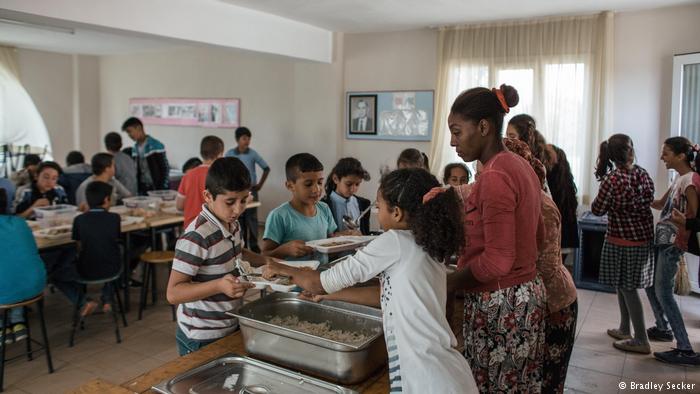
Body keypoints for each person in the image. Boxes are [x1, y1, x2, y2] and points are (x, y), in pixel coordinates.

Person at [263, 168, 478, 393]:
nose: (377, 212)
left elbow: (319, 281)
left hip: (427, 376)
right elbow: (385, 294)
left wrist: (280, 267)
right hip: (441, 368)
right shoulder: (424, 243)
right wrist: (328, 295)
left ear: (396, 212)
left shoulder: (393, 241)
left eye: (378, 206)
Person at [445, 84, 547, 393]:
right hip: (525, 293)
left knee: (494, 385)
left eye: (457, 132)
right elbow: (538, 236)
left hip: (503, 304)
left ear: (484, 127)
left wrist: (450, 281)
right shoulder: (518, 165)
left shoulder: (494, 177)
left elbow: (498, 260)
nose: (452, 142)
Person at [166, 157, 279, 355]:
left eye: (243, 200)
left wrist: (268, 261)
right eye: (230, 202)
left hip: (228, 322)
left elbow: (238, 252)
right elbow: (173, 293)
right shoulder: (197, 236)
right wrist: (219, 285)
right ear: (208, 196)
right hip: (200, 336)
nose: (238, 209)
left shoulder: (232, 223)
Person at [504, 137, 578, 393]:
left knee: (547, 380)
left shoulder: (539, 204)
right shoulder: (518, 197)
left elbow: (541, 268)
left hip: (554, 304)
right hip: (538, 302)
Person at [591, 134, 655, 355]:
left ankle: (641, 339)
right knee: (623, 284)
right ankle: (624, 328)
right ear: (631, 150)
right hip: (643, 239)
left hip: (621, 239)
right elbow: (648, 200)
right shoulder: (643, 174)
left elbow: (598, 209)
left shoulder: (612, 180)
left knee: (627, 288)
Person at [644, 137, 700, 365]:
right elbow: (659, 204)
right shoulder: (679, 179)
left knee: (664, 292)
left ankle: (684, 348)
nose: (661, 157)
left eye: (666, 153)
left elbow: (693, 218)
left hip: (672, 244)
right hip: (663, 240)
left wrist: (681, 222)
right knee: (650, 286)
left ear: (681, 156)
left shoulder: (690, 181)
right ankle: (662, 327)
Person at [507, 114, 579, 262]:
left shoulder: (531, 162)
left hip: (552, 226)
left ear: (525, 136)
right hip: (561, 225)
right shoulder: (550, 152)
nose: (507, 140)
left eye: (511, 135)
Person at [262, 153, 335, 260]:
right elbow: (264, 255)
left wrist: (347, 238)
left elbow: (330, 244)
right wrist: (285, 249)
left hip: (321, 275)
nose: (317, 189)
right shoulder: (279, 216)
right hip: (292, 276)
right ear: (290, 186)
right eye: (308, 184)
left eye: (320, 182)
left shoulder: (324, 209)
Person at [0, 188, 46, 344]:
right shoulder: (20, 223)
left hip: (6, 291)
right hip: (34, 285)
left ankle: (2, 328)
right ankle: (18, 322)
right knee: (15, 268)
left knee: (7, 276)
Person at [72, 181, 122, 314]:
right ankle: (107, 300)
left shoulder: (79, 220)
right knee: (113, 253)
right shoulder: (115, 218)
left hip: (85, 270)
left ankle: (84, 300)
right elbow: (114, 240)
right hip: (113, 268)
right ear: (106, 199)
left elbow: (78, 246)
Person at [225, 127, 270, 253]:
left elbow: (266, 168)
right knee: (239, 217)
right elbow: (225, 170)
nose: (247, 141)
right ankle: (242, 243)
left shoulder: (252, 153)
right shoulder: (230, 154)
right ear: (237, 139)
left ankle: (254, 244)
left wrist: (260, 184)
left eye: (249, 138)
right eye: (244, 138)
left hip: (251, 190)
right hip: (236, 191)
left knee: (252, 218)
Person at [176, 136, 225, 227]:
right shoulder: (221, 176)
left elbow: (179, 206)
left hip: (191, 228)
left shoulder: (188, 175)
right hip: (214, 227)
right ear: (219, 154)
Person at [321, 157, 372, 234]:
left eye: (357, 184)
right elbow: (322, 235)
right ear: (335, 179)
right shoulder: (323, 205)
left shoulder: (364, 204)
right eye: (348, 184)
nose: (353, 189)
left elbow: (366, 233)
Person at [122, 117, 170, 194]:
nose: (129, 135)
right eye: (127, 133)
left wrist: (162, 189)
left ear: (139, 128)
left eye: (130, 131)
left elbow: (165, 169)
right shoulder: (135, 148)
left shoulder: (156, 145)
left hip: (157, 188)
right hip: (142, 188)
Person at [105, 131, 138, 196]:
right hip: (134, 194)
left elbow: (107, 180)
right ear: (121, 144)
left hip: (122, 197)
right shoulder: (128, 157)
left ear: (106, 145)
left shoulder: (110, 160)